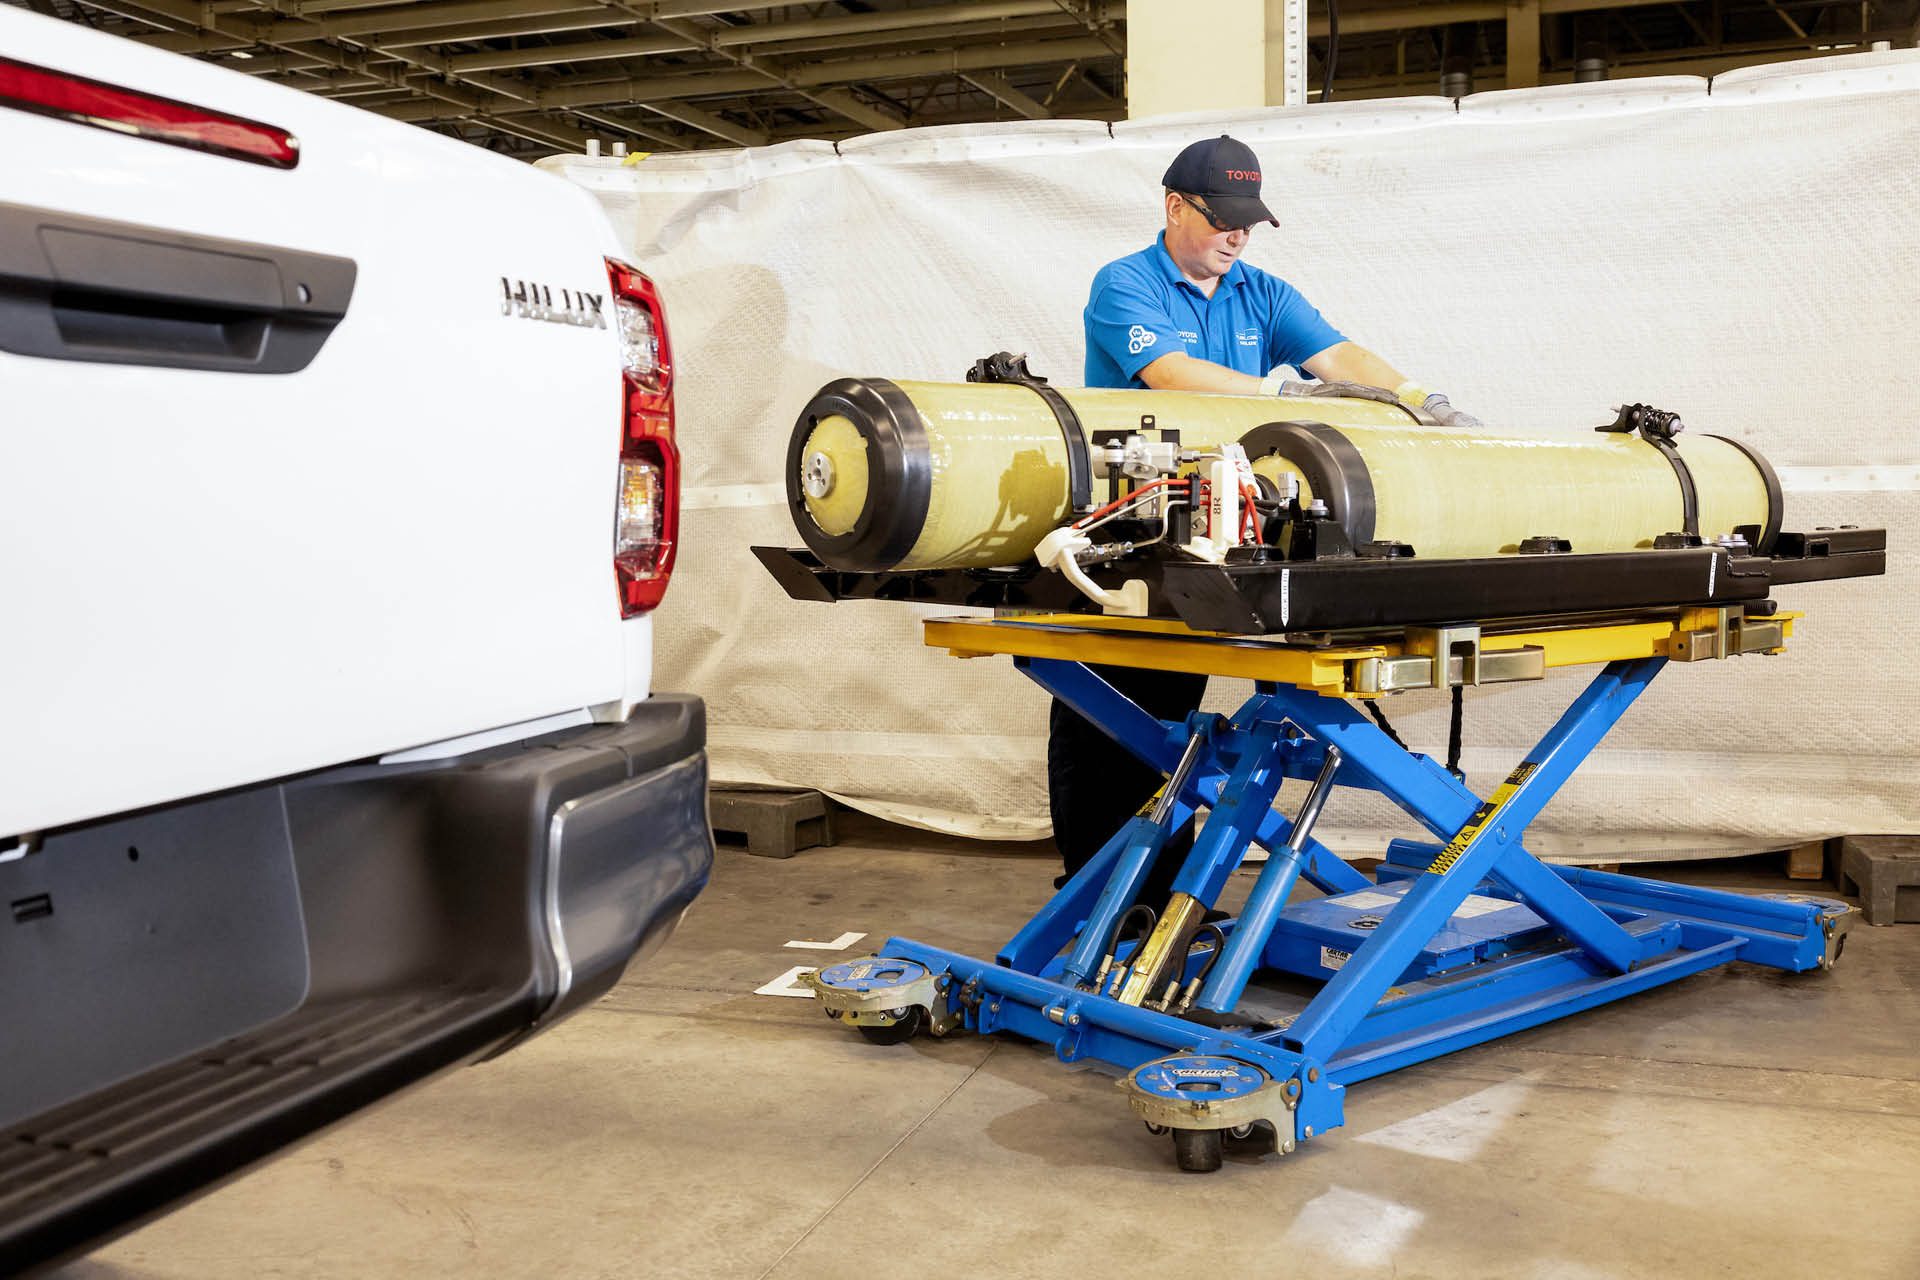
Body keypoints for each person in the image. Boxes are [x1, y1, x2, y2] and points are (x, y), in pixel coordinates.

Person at [1049, 133, 1482, 900]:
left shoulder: (1262, 292)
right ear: (1174, 206)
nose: (1237, 235)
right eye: (1222, 219)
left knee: (1170, 726)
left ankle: (1155, 898)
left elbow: (1338, 355)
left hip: (1218, 529)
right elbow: (1172, 376)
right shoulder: (1125, 285)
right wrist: (1281, 397)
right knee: (1108, 723)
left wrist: (1420, 401)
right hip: (1130, 534)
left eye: (1249, 220)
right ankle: (1096, 898)